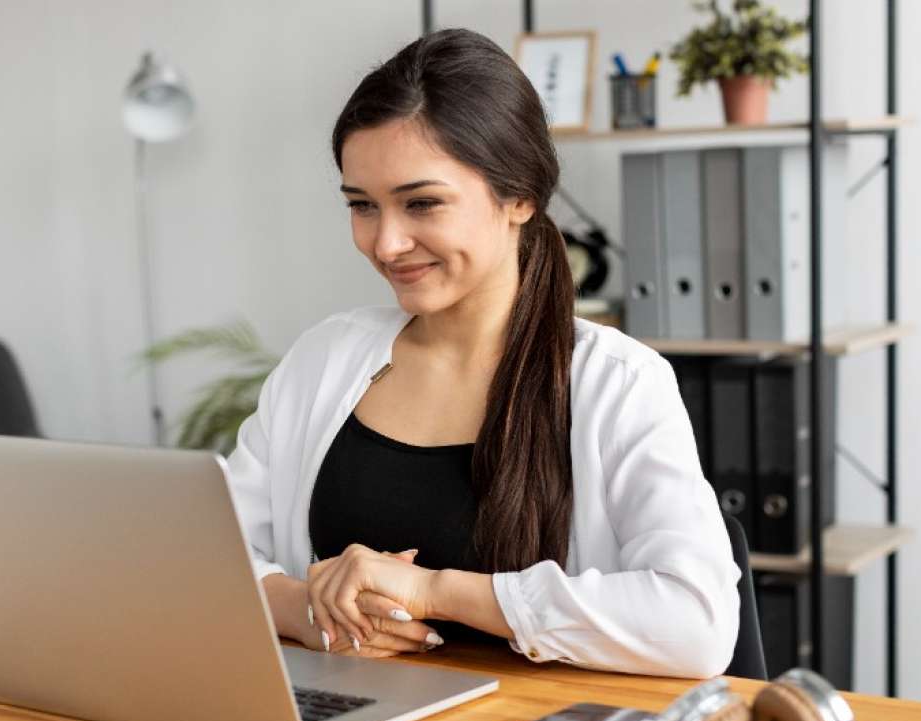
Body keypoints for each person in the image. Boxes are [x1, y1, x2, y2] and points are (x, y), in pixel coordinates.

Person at [225, 28, 740, 679]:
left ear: (519, 196)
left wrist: (436, 592)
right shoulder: (323, 358)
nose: (385, 244)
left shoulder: (620, 382)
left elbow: (696, 624)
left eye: (422, 203)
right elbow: (212, 556)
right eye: (362, 206)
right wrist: (309, 611)